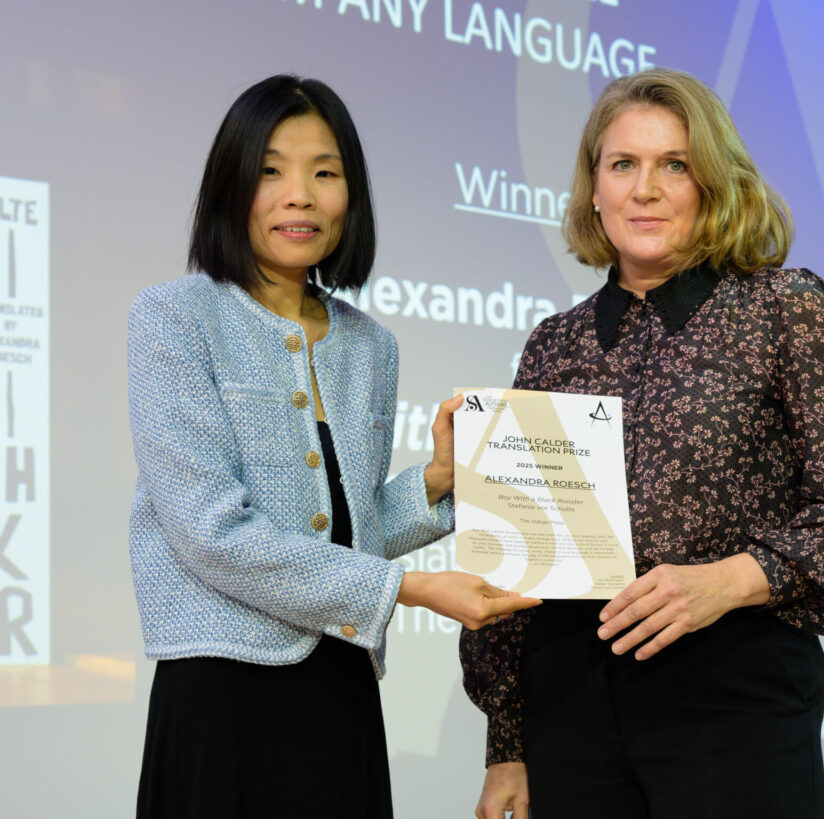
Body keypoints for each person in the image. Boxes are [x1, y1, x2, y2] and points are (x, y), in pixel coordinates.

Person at [460, 68, 824, 819]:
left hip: (732, 694)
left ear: (713, 182)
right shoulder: (554, 344)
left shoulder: (787, 308)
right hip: (571, 707)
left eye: (675, 164)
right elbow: (524, 558)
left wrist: (729, 580)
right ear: (594, 189)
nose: (646, 188)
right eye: (623, 165)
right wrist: (507, 744)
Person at [127, 75, 539, 818]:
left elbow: (351, 525)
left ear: (352, 196)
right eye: (271, 170)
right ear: (232, 185)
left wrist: (441, 481)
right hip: (221, 695)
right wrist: (406, 591)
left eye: (326, 172)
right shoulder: (174, 319)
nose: (300, 195)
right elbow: (209, 530)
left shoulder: (371, 345)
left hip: (340, 689)